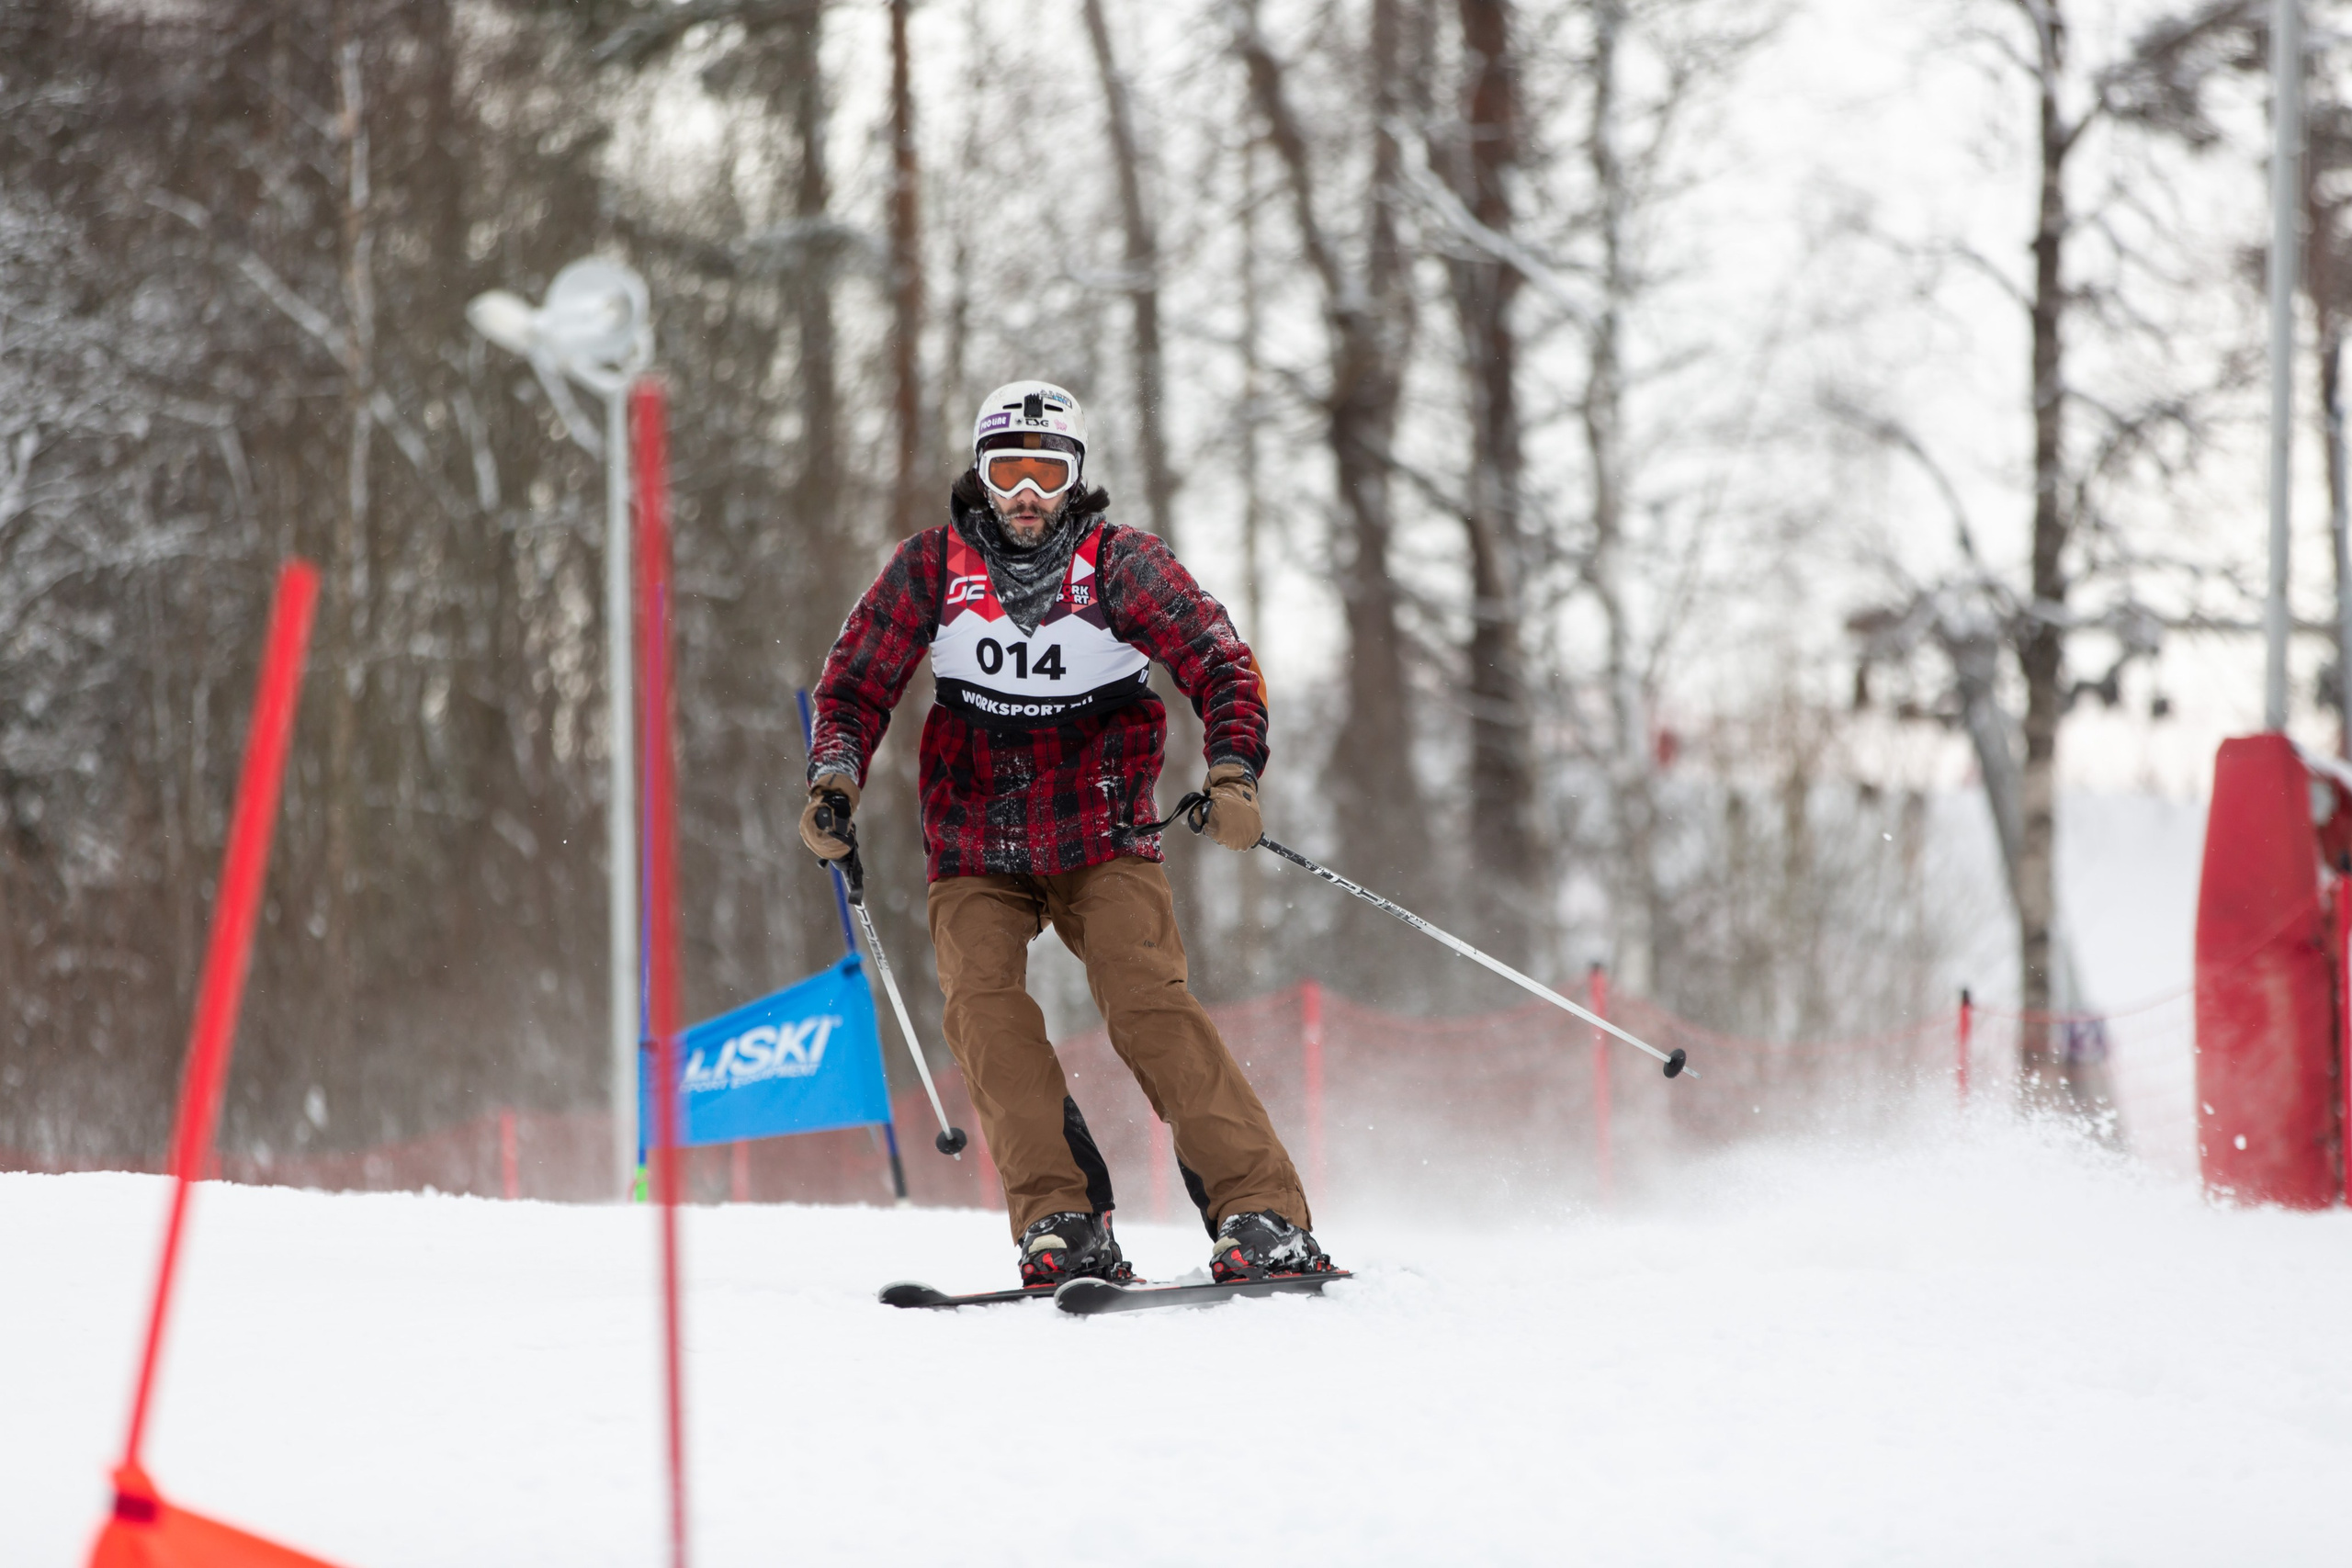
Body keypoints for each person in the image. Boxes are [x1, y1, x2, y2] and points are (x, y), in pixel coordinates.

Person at [801, 379, 1334, 1288]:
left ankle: (1263, 1212)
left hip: (1103, 823)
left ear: (1076, 478)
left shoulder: (1120, 562)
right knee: (984, 1014)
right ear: (979, 472)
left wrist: (1234, 769)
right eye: (1007, 470)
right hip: (974, 835)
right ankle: (1060, 1221)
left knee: (1145, 1003)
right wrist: (833, 779)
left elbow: (1218, 660)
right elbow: (855, 681)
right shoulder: (930, 567)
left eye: (1047, 473)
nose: (1025, 495)